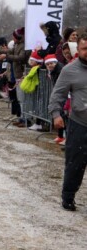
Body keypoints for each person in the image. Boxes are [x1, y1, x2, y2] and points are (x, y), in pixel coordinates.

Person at [48, 31, 87, 211]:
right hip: (80, 124)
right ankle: (68, 196)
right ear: (77, 50)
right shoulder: (70, 70)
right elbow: (58, 95)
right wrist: (56, 114)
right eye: (85, 48)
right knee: (75, 164)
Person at [0, 27, 28, 127]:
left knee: (22, 98)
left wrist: (6, 56)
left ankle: (24, 118)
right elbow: (10, 52)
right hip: (16, 74)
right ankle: (21, 117)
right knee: (19, 97)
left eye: (14, 37)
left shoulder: (23, 46)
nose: (13, 38)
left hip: (20, 74)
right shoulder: (17, 45)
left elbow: (20, 57)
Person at [43, 54, 65, 145]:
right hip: (58, 93)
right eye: (47, 65)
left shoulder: (60, 70)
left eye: (51, 63)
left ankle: (63, 136)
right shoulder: (52, 72)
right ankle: (60, 135)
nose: (49, 66)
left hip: (63, 94)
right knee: (59, 114)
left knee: (63, 115)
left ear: (55, 62)